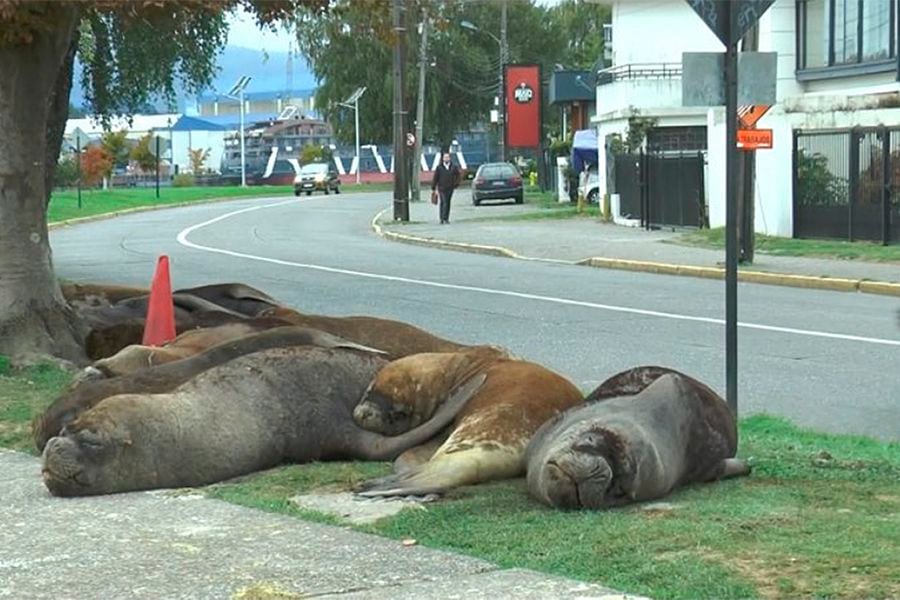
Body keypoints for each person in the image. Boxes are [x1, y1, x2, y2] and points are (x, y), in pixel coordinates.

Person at [431, 151, 461, 224]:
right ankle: (442, 218)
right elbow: (435, 178)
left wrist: (456, 184)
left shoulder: (453, 167)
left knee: (448, 203)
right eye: (445, 157)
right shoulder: (439, 167)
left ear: (450, 158)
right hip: (442, 188)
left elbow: (458, 176)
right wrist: (433, 187)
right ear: (443, 159)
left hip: (450, 188)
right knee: (443, 202)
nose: (446, 159)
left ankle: (446, 218)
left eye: (447, 157)